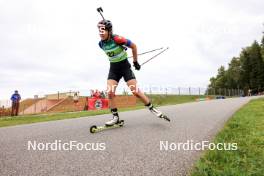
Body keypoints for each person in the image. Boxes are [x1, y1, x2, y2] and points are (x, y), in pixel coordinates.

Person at [97, 20, 170, 126]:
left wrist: (135, 62)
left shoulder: (118, 38)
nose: (101, 34)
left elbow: (134, 46)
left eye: (103, 31)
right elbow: (114, 54)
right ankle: (115, 117)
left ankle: (152, 109)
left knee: (135, 92)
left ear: (109, 31)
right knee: (110, 92)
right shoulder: (101, 44)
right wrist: (121, 50)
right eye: (99, 31)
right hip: (113, 69)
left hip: (125, 67)